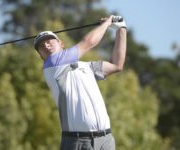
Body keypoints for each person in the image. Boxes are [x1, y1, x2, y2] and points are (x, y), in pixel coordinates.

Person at [33, 15, 127, 150]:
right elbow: (89, 42)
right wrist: (106, 24)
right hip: (77, 142)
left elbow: (116, 65)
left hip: (106, 139)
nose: (46, 45)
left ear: (61, 43)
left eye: (49, 41)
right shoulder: (52, 65)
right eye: (41, 46)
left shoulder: (87, 67)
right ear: (41, 56)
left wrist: (121, 29)